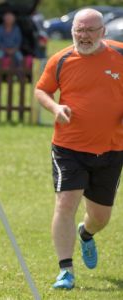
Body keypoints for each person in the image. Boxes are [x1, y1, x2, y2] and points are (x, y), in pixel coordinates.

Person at [34, 8, 123, 290]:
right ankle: (66, 271)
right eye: (78, 30)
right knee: (65, 204)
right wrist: (55, 107)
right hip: (68, 147)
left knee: (100, 218)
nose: (83, 36)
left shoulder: (120, 55)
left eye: (89, 31)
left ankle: (86, 234)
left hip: (111, 149)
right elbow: (41, 90)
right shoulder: (60, 60)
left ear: (103, 32)